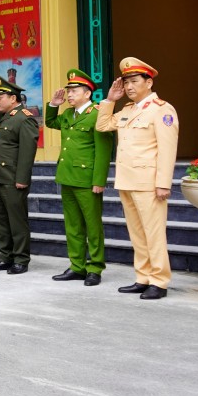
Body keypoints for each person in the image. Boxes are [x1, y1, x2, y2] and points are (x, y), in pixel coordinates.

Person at [96, 57, 179, 300]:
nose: (129, 87)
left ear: (148, 82)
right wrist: (110, 100)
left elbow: (167, 149)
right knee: (137, 233)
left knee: (153, 234)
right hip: (127, 180)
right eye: (126, 82)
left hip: (149, 183)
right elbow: (102, 126)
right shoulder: (127, 110)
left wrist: (164, 183)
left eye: (134, 81)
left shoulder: (162, 109)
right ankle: (143, 277)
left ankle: (159, 281)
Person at [45, 69, 112, 285]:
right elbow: (50, 123)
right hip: (67, 177)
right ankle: (77, 266)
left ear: (87, 93)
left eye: (74, 91)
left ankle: (95, 267)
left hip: (86, 179)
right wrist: (54, 105)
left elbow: (103, 151)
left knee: (92, 226)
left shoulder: (97, 114)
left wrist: (98, 181)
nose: (69, 94)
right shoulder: (67, 115)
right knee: (72, 225)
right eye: (69, 90)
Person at [0, 77, 39, 274]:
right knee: (1, 220)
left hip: (12, 178)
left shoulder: (24, 118)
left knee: (16, 221)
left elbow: (27, 152)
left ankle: (21, 259)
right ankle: (5, 257)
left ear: (13, 98)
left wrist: (22, 179)